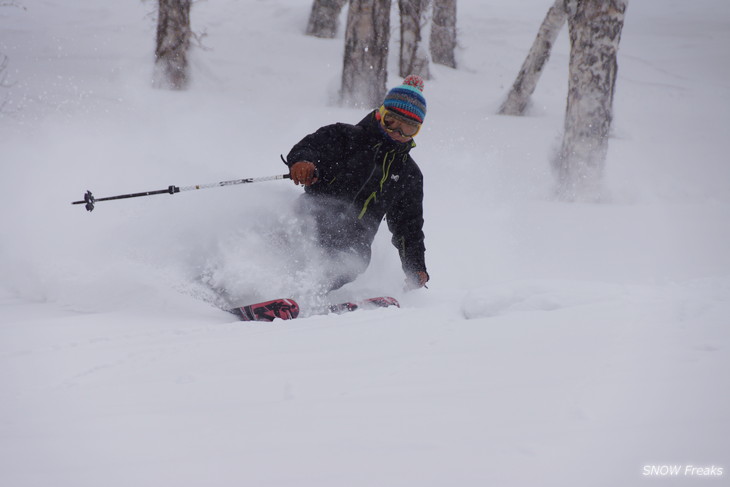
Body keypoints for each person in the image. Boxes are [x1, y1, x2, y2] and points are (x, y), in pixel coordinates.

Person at [284, 75, 430, 293]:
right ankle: (243, 278)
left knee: (349, 263)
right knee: (285, 239)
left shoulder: (408, 174)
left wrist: (415, 266)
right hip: (310, 218)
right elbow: (310, 147)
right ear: (381, 114)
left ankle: (303, 295)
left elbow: (408, 226)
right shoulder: (345, 137)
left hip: (354, 242)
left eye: (408, 129)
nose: (397, 133)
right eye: (392, 122)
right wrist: (302, 162)